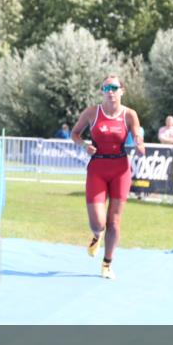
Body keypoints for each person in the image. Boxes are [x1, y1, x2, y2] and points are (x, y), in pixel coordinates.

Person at [70, 75, 146, 280]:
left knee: (114, 222)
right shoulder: (92, 112)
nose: (110, 91)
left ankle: (107, 264)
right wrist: (84, 145)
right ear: (102, 91)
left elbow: (137, 132)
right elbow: (74, 134)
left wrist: (139, 143)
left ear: (122, 91)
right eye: (106, 88)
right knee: (98, 223)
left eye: (114, 87)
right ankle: (96, 235)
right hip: (97, 168)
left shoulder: (129, 114)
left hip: (120, 169)